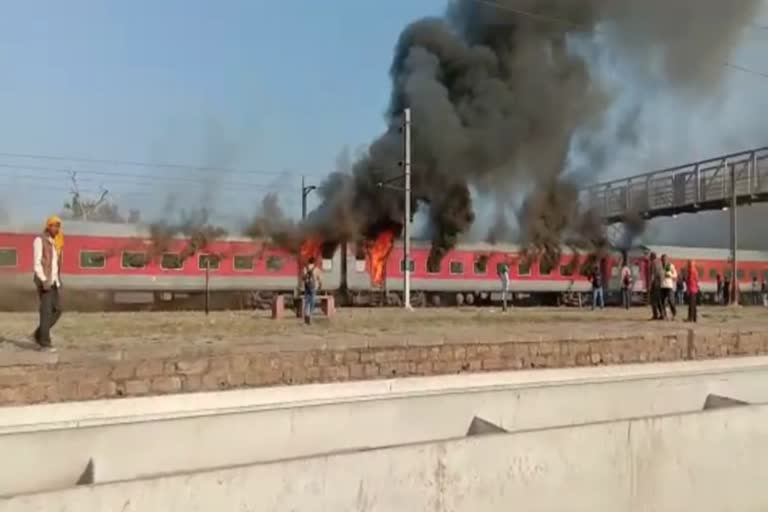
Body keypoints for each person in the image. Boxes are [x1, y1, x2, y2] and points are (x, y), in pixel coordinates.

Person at [32, 215, 64, 351]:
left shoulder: (56, 242)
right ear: (48, 226)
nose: (56, 229)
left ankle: (38, 334)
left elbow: (55, 264)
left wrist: (57, 279)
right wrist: (44, 279)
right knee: (46, 312)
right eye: (54, 226)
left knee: (58, 309)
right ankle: (44, 342)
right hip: (45, 281)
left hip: (54, 281)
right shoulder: (40, 240)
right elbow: (37, 263)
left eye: (58, 226)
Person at [302, 257, 321, 325]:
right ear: (314, 262)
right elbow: (319, 279)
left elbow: (303, 278)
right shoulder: (316, 269)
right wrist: (319, 286)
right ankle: (310, 315)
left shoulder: (305, 268)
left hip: (307, 287)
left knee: (307, 302)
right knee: (312, 302)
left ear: (308, 261)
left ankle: (306, 317)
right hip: (313, 287)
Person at [660, 254, 677, 320]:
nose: (664, 261)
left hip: (669, 286)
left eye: (665, 259)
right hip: (662, 286)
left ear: (667, 260)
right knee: (662, 301)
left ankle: (674, 312)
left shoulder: (670, 266)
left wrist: (670, 276)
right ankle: (663, 315)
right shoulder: (660, 267)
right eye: (663, 259)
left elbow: (675, 275)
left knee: (671, 301)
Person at [649, 252, 665, 320]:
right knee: (659, 300)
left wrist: (649, 285)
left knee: (653, 300)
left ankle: (655, 315)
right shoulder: (660, 263)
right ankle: (662, 314)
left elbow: (652, 275)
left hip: (655, 283)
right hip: (660, 284)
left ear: (652, 257)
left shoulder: (653, 263)